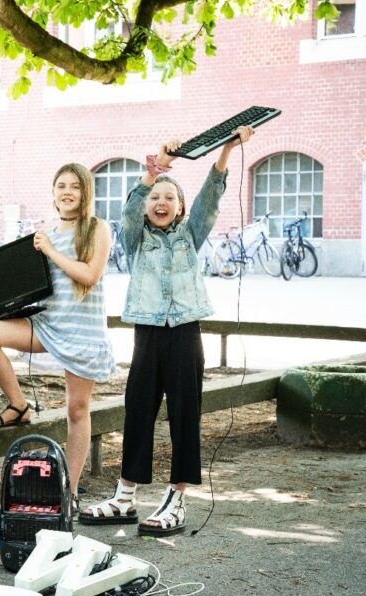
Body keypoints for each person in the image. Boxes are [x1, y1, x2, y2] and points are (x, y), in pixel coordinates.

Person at [80, 126, 255, 536]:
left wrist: (228, 148)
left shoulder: (190, 236)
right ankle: (125, 496)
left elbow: (211, 197)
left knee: (184, 414)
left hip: (184, 333)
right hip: (147, 333)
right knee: (138, 410)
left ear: (179, 208)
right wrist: (157, 168)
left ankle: (177, 498)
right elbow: (128, 208)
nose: (161, 202)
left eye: (170, 197)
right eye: (155, 197)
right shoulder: (136, 237)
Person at [0, 163, 116, 505]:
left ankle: (70, 490)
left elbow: (90, 275)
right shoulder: (45, 230)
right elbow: (22, 281)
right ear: (53, 192)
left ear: (85, 193)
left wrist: (50, 250)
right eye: (61, 185)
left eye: (74, 186)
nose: (67, 192)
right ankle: (19, 405)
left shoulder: (97, 228)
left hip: (82, 332)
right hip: (47, 324)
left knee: (77, 411)